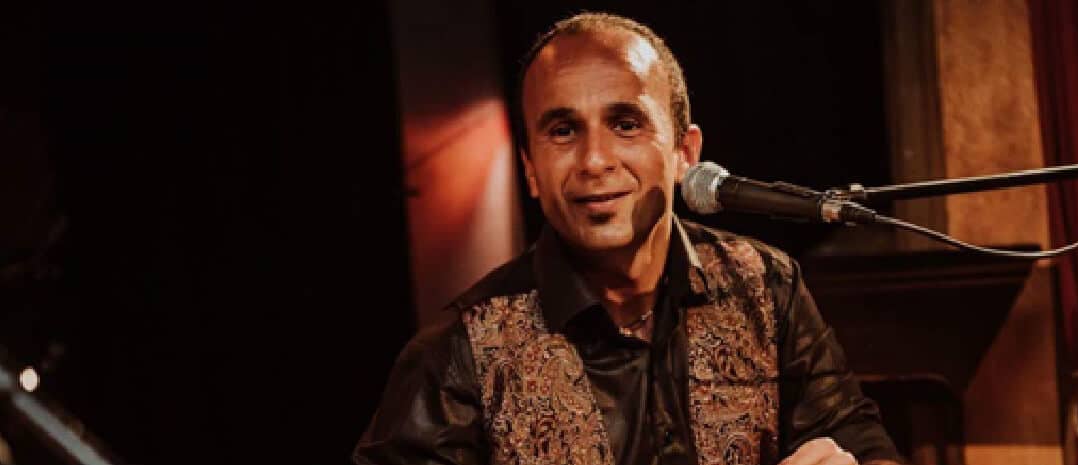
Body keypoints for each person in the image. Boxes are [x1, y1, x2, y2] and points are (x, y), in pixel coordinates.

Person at [353, 12, 902, 465]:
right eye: (563, 131)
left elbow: (862, 443)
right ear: (531, 170)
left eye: (625, 124)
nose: (595, 160)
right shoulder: (457, 352)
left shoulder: (766, 287)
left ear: (685, 153)